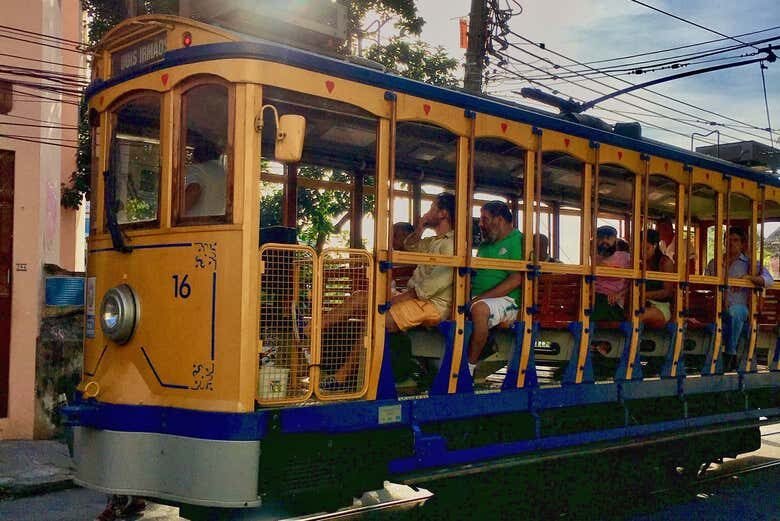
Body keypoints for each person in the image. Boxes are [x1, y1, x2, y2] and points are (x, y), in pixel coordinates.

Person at [316, 193, 456, 389]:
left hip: (432, 305)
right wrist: (420, 227)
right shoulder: (434, 241)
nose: (427, 212)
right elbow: (409, 245)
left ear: (443, 214)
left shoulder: (451, 245)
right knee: (359, 297)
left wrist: (392, 302)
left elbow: (425, 291)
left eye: (432, 208)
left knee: (378, 319)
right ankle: (311, 331)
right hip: (415, 299)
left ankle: (341, 377)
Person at [467, 201, 523, 376]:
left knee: (479, 309)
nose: (481, 224)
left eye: (485, 219)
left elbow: (516, 279)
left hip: (508, 300)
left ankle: (469, 367)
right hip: (479, 298)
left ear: (499, 220)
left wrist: (479, 298)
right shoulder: (485, 245)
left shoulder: (518, 241)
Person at [705, 227, 773, 370]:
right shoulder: (714, 263)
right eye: (727, 240)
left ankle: (730, 354)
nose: (731, 243)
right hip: (718, 308)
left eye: (735, 240)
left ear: (742, 244)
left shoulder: (750, 264)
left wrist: (749, 278)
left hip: (741, 309)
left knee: (735, 312)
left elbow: (769, 280)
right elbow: (706, 284)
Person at [591, 225, 632, 321]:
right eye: (601, 238)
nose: (605, 241)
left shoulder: (626, 258)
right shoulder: (595, 258)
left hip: (615, 300)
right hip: (595, 296)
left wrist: (619, 295)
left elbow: (632, 283)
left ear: (615, 240)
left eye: (609, 237)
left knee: (599, 304)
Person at [640, 229, 675, 329]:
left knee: (638, 315)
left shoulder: (665, 262)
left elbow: (667, 292)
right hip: (641, 303)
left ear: (655, 246)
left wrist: (644, 295)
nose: (642, 252)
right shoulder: (639, 262)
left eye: (646, 248)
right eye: (640, 248)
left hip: (661, 306)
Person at [184, 140, 226, 217]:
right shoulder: (225, 173)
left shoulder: (197, 169)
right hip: (219, 225)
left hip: (193, 226)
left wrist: (172, 214)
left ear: (196, 157)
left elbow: (193, 190)